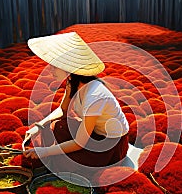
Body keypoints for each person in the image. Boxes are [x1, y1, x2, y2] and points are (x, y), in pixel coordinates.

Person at [23, 32, 129, 170]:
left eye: (54, 65)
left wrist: (45, 151)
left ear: (69, 68)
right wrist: (39, 126)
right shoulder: (71, 82)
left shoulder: (95, 96)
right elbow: (63, 110)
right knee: (56, 126)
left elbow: (79, 143)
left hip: (110, 144)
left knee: (62, 161)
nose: (50, 70)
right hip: (93, 134)